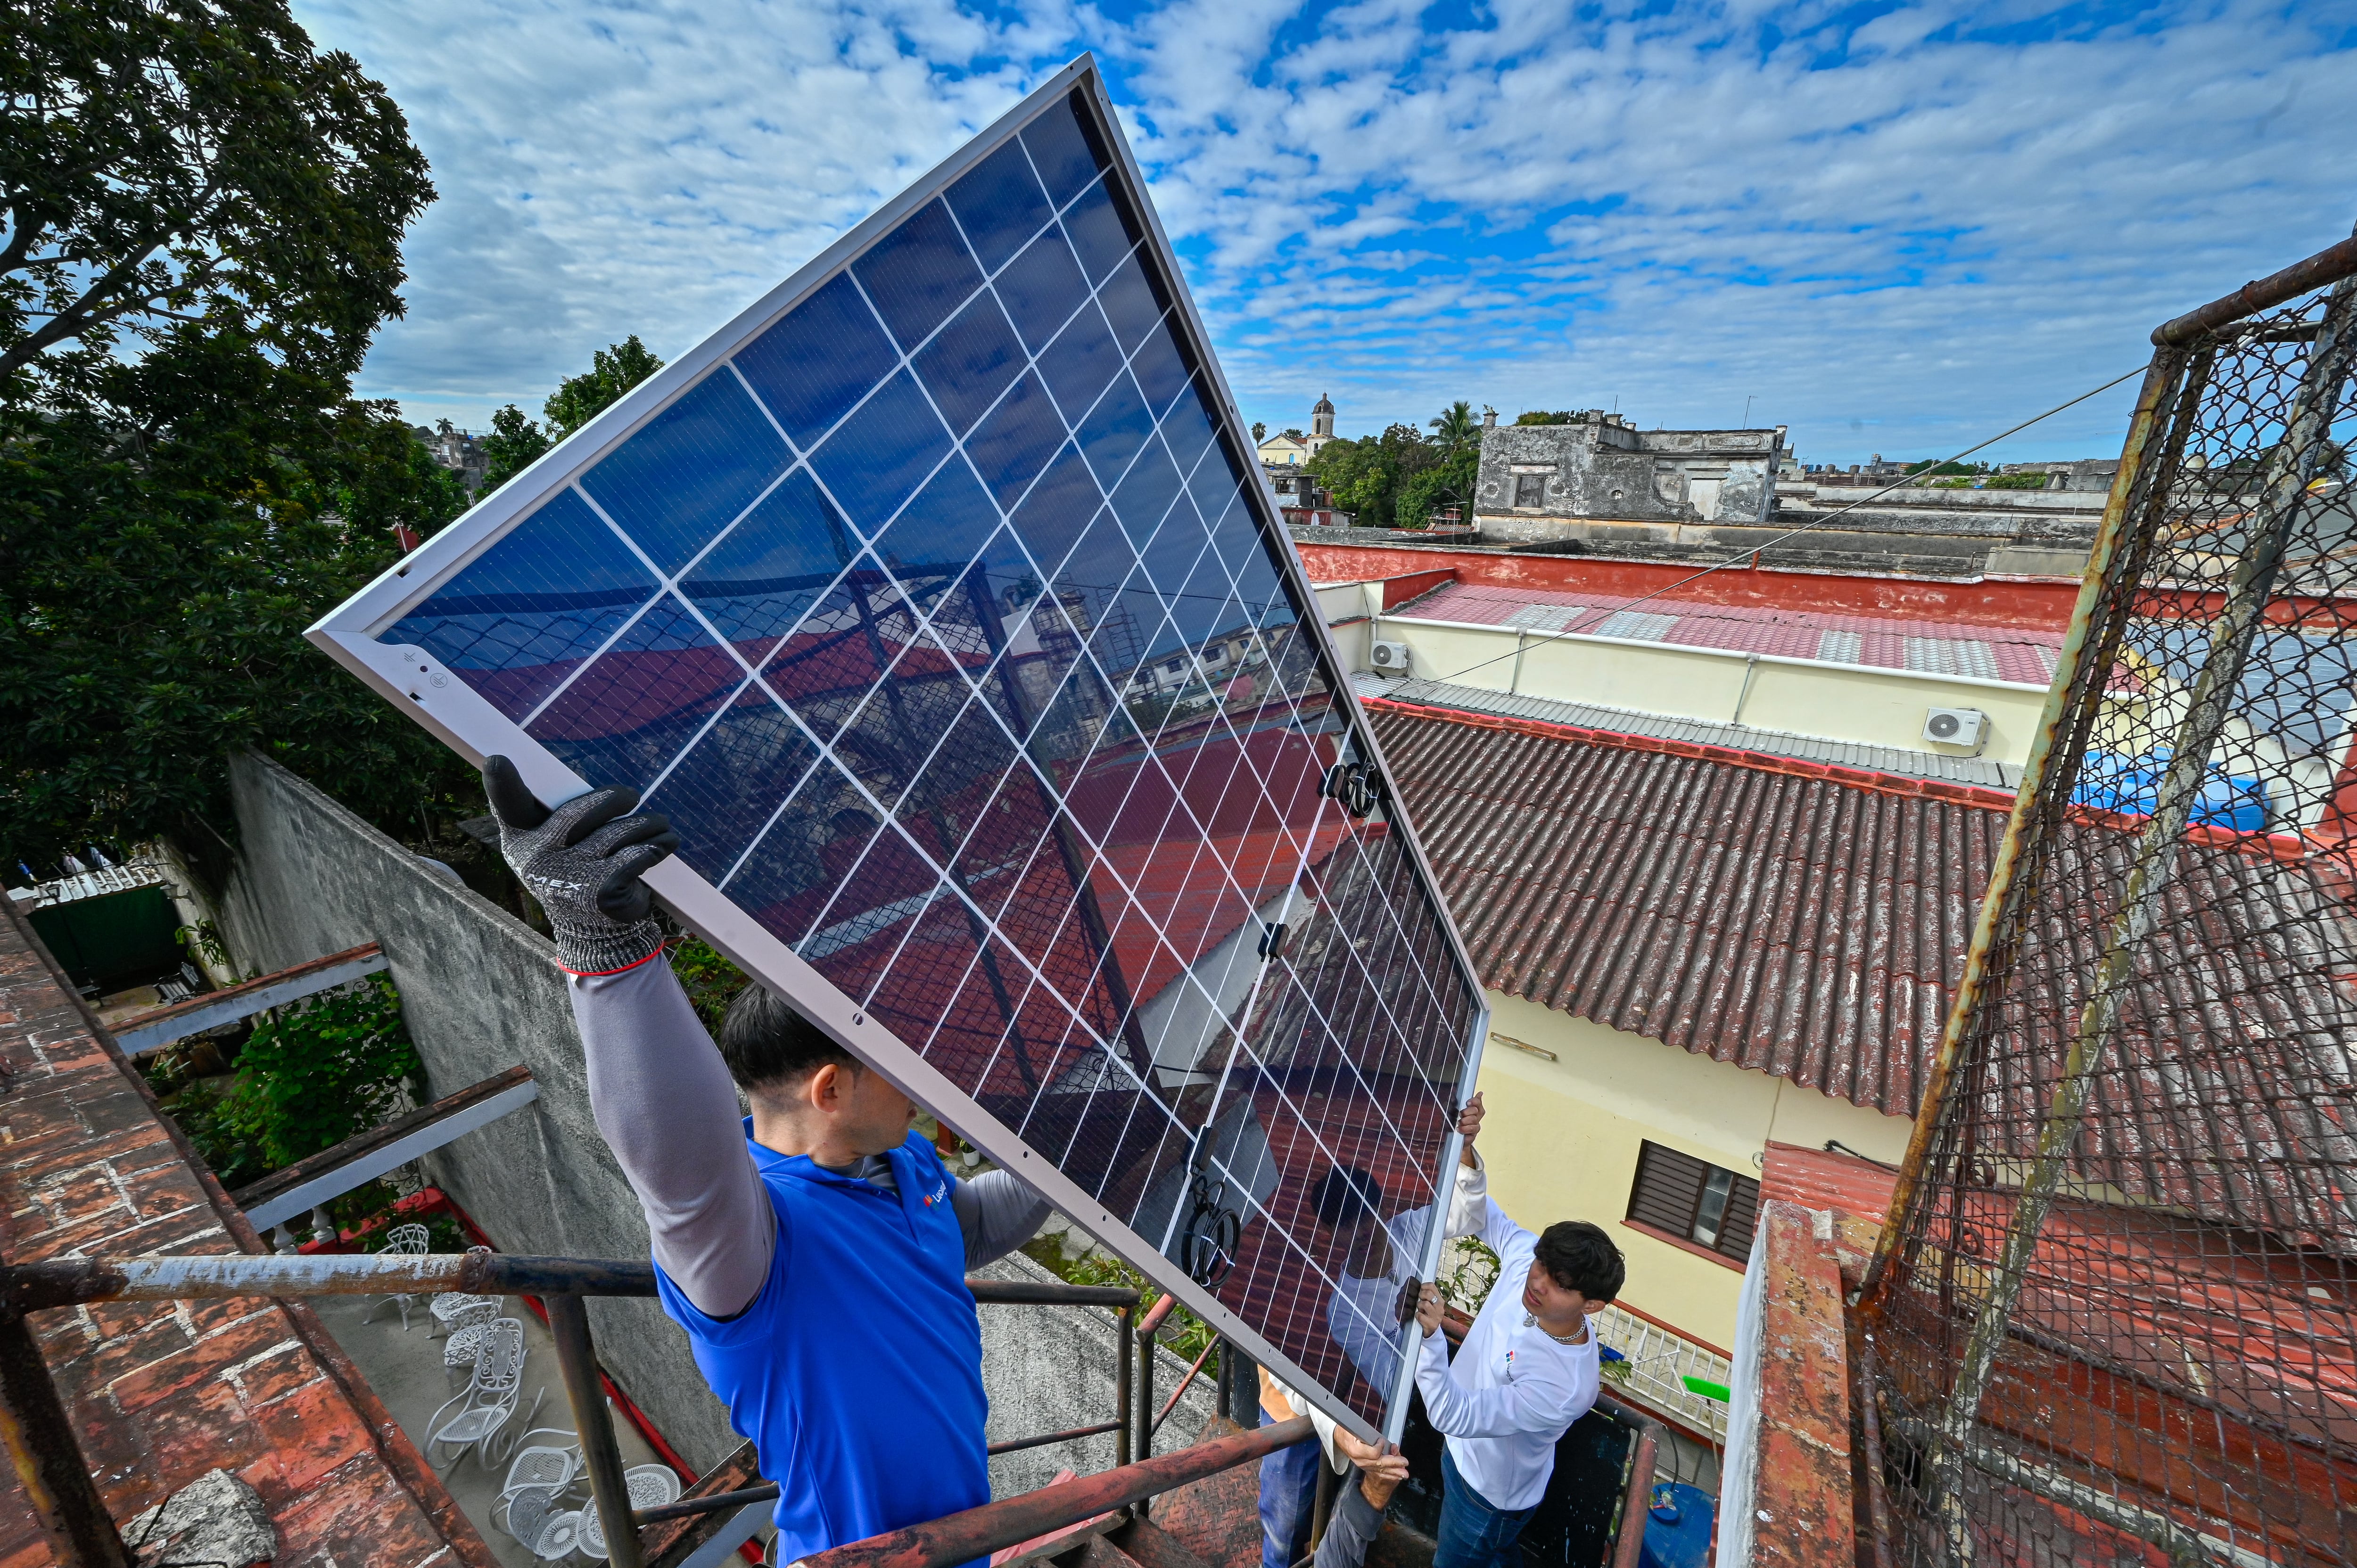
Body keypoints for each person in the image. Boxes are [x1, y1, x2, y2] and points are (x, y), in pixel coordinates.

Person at [481, 759, 1052, 1568]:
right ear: (830, 1087)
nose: (927, 1075)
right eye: (899, 1059)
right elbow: (680, 1163)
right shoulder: (749, 1241)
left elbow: (975, 1226)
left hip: (966, 1541)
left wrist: (1084, 1149)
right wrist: (603, 948)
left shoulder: (904, 1163)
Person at [1260, 1101, 1489, 1568]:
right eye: (1346, 1228)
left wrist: (1464, 1150)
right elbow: (1388, 1377)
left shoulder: (1410, 1231)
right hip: (1293, 1403)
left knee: (1314, 1509)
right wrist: (1414, 1330)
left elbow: (1465, 1211)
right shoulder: (1339, 1308)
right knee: (1284, 1517)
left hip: (1355, 1411)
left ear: (1382, 1207)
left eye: (1365, 1216)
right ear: (1331, 1236)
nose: (1361, 1233)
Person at [1410, 1206, 1626, 1568]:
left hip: (1486, 1495)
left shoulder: (1565, 1385)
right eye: (1541, 1264)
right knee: (1497, 1551)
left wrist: (1432, 1336)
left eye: (1561, 1284)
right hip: (1463, 1454)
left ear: (1592, 1305)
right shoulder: (1531, 1266)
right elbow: (1484, 1214)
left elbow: (1453, 1413)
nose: (1538, 1281)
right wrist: (1466, 1160)